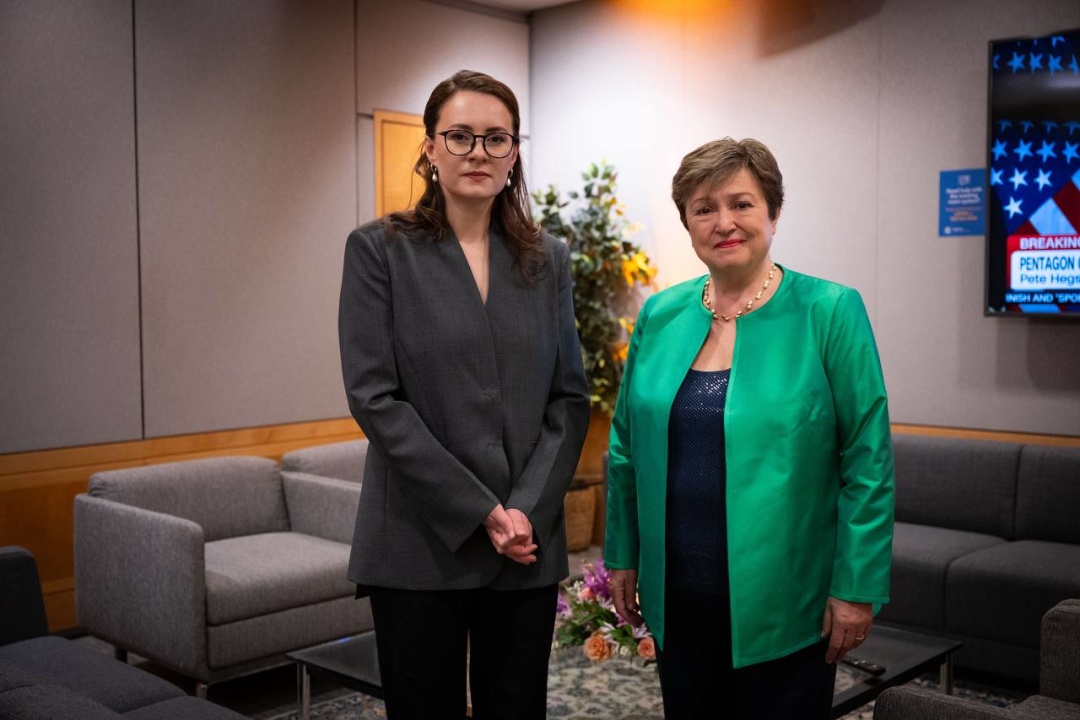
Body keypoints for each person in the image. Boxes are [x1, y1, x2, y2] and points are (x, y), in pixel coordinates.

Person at [604, 137, 895, 719]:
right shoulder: (660, 315)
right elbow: (625, 451)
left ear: (773, 212)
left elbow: (868, 463)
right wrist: (623, 554)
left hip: (786, 602)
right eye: (704, 208)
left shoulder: (829, 311)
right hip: (677, 599)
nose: (724, 223)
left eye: (741, 203)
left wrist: (856, 588)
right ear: (687, 223)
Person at [337, 70, 590, 719]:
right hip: (417, 541)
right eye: (460, 136)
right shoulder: (378, 251)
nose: (478, 152)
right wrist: (482, 510)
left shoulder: (548, 259)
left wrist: (524, 509)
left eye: (495, 138)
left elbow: (568, 399)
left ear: (514, 153)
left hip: (525, 543)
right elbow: (375, 399)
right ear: (430, 147)